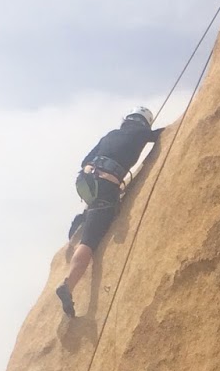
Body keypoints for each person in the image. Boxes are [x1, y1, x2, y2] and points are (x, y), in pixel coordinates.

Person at [55, 106, 161, 318]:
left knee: (96, 206)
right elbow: (163, 133)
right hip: (105, 187)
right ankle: (67, 284)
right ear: (145, 122)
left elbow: (85, 161)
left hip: (87, 182)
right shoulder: (141, 133)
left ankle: (85, 214)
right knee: (90, 241)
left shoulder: (110, 135)